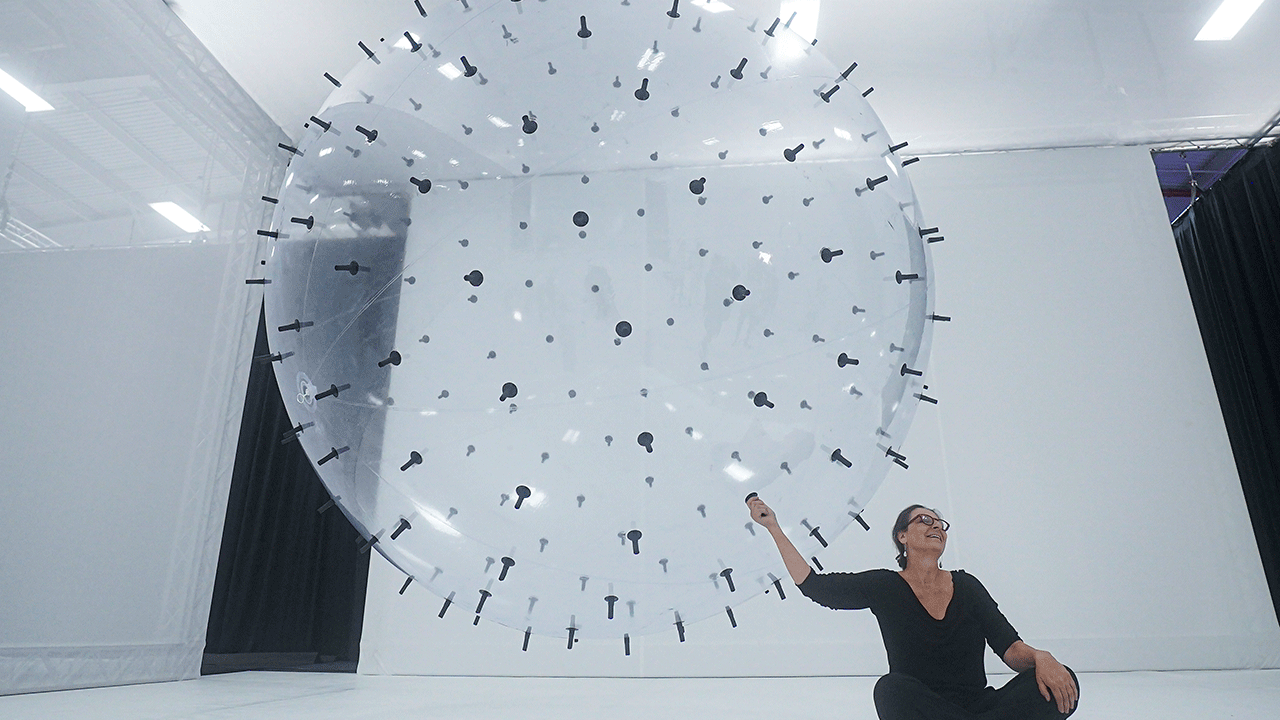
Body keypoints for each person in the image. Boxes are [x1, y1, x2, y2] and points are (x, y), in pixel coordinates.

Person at [746, 495, 1079, 719]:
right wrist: (773, 526)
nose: (936, 526)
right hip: (922, 709)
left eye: (940, 524)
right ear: (902, 537)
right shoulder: (885, 585)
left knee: (1064, 679)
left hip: (981, 708)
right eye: (923, 520)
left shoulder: (967, 586)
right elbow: (815, 587)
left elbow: (1010, 649)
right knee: (891, 689)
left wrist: (1041, 658)